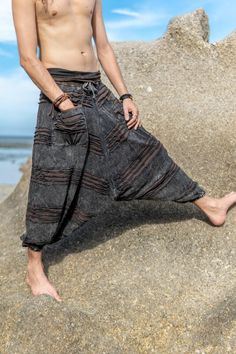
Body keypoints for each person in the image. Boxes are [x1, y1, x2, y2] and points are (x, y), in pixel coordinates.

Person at [12, 0, 236, 302]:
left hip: (95, 88)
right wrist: (63, 103)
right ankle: (34, 267)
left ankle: (209, 205)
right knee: (51, 180)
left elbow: (102, 45)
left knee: (145, 149)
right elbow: (28, 58)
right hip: (60, 92)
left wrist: (125, 94)